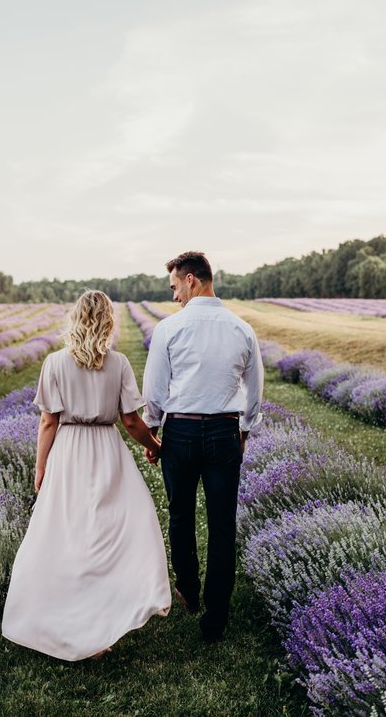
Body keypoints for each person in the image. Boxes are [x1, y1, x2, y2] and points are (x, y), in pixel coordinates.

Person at [1, 290, 171, 661]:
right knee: (111, 530)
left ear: (75, 319)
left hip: (68, 450)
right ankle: (105, 614)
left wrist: (40, 465)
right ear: (108, 320)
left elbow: (48, 421)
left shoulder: (56, 363)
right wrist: (155, 444)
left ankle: (70, 614)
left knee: (68, 531)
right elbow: (129, 420)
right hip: (106, 450)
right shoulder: (119, 363)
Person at [142, 251, 263, 643]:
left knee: (180, 515)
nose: (175, 295)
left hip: (180, 433)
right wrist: (243, 429)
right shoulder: (242, 328)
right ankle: (216, 613)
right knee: (222, 524)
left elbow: (155, 391)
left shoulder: (168, 329)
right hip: (225, 432)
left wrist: (153, 431)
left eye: (175, 286)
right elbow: (255, 390)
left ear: (192, 280)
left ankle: (189, 590)